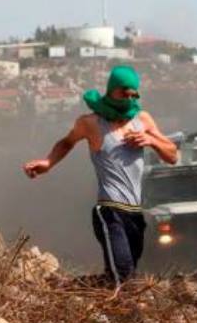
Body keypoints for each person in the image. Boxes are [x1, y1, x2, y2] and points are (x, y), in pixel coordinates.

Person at [23, 65, 178, 285]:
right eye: (124, 91)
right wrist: (48, 162)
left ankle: (72, 289)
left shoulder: (142, 120)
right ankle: (81, 295)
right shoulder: (91, 123)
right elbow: (67, 142)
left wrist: (151, 141)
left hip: (135, 213)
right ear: (112, 89)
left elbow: (173, 155)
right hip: (109, 210)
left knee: (126, 276)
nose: (128, 97)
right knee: (122, 273)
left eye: (133, 93)